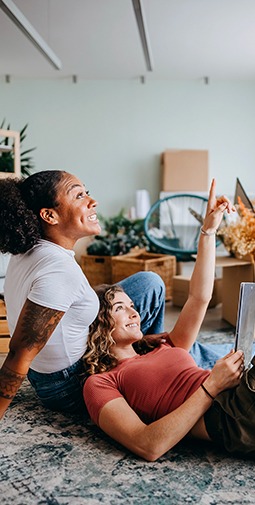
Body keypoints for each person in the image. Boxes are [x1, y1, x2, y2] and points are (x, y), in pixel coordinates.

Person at [83, 180, 255, 461]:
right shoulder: (101, 383)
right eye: (119, 308)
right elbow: (147, 446)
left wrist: (209, 230)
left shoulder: (163, 345)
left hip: (241, 388)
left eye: (132, 306)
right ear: (98, 324)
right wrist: (212, 385)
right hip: (230, 415)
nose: (134, 313)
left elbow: (199, 297)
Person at [0, 170, 166, 419]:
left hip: (52, 369)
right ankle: (152, 367)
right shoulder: (58, 270)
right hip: (67, 383)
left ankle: (139, 351)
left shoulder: (32, 247)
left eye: (86, 192)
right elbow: (19, 353)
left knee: (147, 283)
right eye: (79, 195)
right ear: (49, 215)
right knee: (192, 355)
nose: (92, 201)